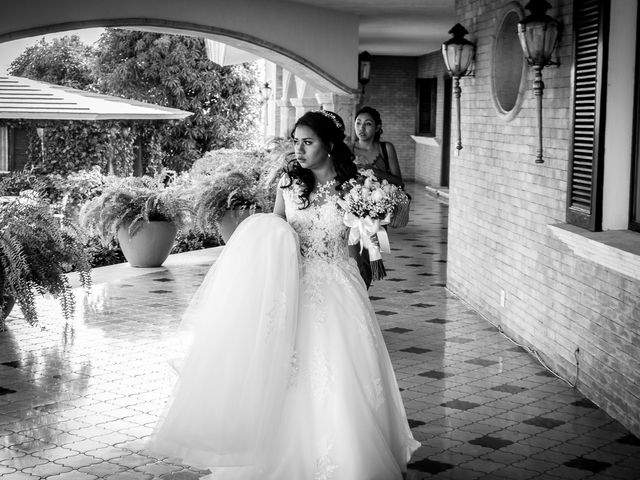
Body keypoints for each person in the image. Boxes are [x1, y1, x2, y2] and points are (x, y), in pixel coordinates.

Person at [149, 110, 419, 479]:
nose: (299, 149)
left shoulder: (355, 186)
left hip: (340, 287)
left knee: (341, 371)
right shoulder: (290, 184)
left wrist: (375, 221)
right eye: (296, 141)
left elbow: (383, 229)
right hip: (294, 285)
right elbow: (278, 229)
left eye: (308, 142)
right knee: (289, 370)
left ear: (330, 145)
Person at [350, 106, 404, 288]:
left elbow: (399, 181)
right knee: (354, 258)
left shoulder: (385, 148)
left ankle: (362, 296)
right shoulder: (348, 149)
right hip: (353, 214)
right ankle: (357, 298)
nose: (361, 128)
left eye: (368, 124)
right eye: (358, 123)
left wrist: (374, 171)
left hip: (378, 214)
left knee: (370, 258)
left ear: (378, 127)